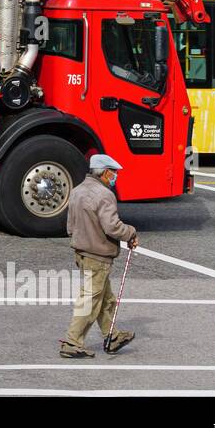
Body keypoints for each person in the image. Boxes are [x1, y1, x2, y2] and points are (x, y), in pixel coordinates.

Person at [59, 154, 138, 359]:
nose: (116, 176)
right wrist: (130, 232)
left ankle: (112, 336)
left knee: (104, 298)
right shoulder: (104, 194)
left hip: (82, 252)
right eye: (114, 172)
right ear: (105, 173)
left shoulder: (77, 191)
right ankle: (72, 342)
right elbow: (112, 227)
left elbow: (70, 226)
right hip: (98, 255)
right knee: (91, 299)